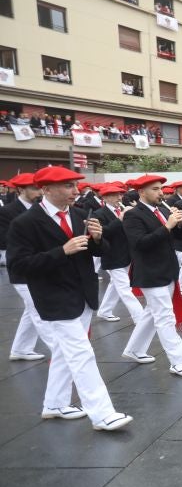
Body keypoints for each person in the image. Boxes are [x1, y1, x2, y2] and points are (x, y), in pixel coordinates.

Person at [7, 166, 131, 431]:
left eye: (75, 185)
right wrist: (61, 251)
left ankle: (54, 404)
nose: (75, 191)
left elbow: (94, 251)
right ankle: (102, 413)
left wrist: (97, 239)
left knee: (65, 353)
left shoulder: (78, 215)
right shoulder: (25, 223)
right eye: (68, 186)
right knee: (81, 353)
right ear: (46, 190)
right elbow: (18, 265)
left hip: (83, 293)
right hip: (53, 296)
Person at [121, 175, 182, 376]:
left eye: (160, 189)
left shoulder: (163, 210)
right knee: (164, 316)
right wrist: (167, 226)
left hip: (168, 269)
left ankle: (134, 349)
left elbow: (179, 237)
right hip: (150, 273)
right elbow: (140, 244)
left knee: (151, 313)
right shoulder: (133, 215)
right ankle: (178, 360)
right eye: (155, 189)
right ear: (141, 192)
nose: (161, 193)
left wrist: (179, 224)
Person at [1, 173, 49, 361]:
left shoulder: (41, 208)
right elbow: (5, 240)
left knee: (31, 311)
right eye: (34, 188)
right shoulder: (7, 211)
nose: (39, 192)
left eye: (39, 188)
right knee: (39, 309)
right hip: (22, 270)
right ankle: (59, 349)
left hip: (39, 266)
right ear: (21, 190)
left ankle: (21, 348)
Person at [95, 182, 144, 324]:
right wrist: (120, 218)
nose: (119, 197)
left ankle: (104, 311)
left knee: (115, 285)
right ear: (105, 198)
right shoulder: (99, 214)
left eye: (120, 194)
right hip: (111, 256)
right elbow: (104, 232)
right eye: (114, 195)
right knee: (124, 288)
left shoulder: (121, 209)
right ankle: (139, 317)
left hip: (126, 254)